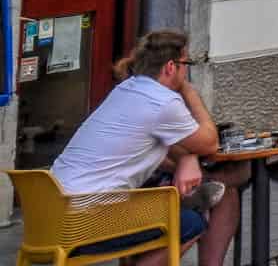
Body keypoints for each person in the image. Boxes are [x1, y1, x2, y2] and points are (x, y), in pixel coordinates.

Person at [50, 30, 247, 266]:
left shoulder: (126, 90)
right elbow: (210, 142)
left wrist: (187, 158)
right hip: (86, 223)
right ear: (171, 67)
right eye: (187, 65)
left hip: (50, 217)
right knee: (190, 223)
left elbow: (145, 143)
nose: (187, 73)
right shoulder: (163, 101)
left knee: (194, 203)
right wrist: (188, 91)